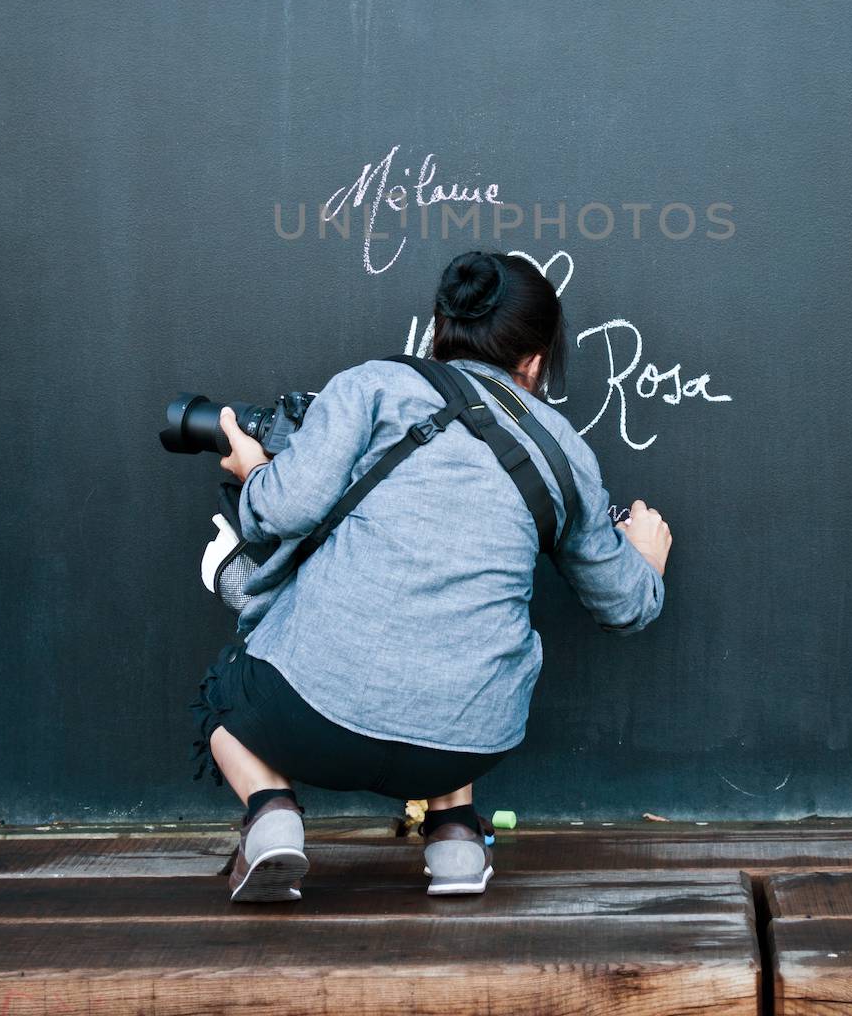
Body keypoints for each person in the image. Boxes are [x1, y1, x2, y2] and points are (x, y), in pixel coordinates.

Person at [190, 249, 672, 903]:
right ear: (535, 359)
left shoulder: (373, 386)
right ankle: (454, 840)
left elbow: (283, 507)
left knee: (225, 692)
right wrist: (645, 556)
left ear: (438, 328)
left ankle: (272, 814)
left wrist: (253, 471)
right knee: (455, 636)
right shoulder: (564, 450)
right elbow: (625, 606)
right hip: (469, 744)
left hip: (310, 720)